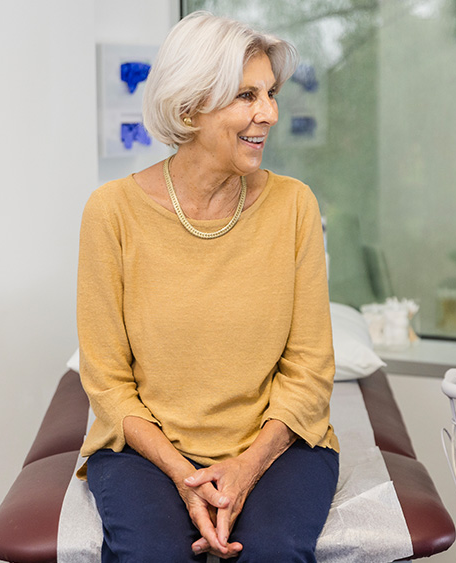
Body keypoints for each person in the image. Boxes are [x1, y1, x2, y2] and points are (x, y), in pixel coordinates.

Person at [75, 11, 339, 563]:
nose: (267, 113)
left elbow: (310, 370)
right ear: (191, 106)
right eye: (246, 96)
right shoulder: (112, 213)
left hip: (278, 443)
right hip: (142, 449)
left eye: (269, 93)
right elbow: (106, 382)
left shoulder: (294, 206)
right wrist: (181, 472)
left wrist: (246, 466)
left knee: (270, 553)